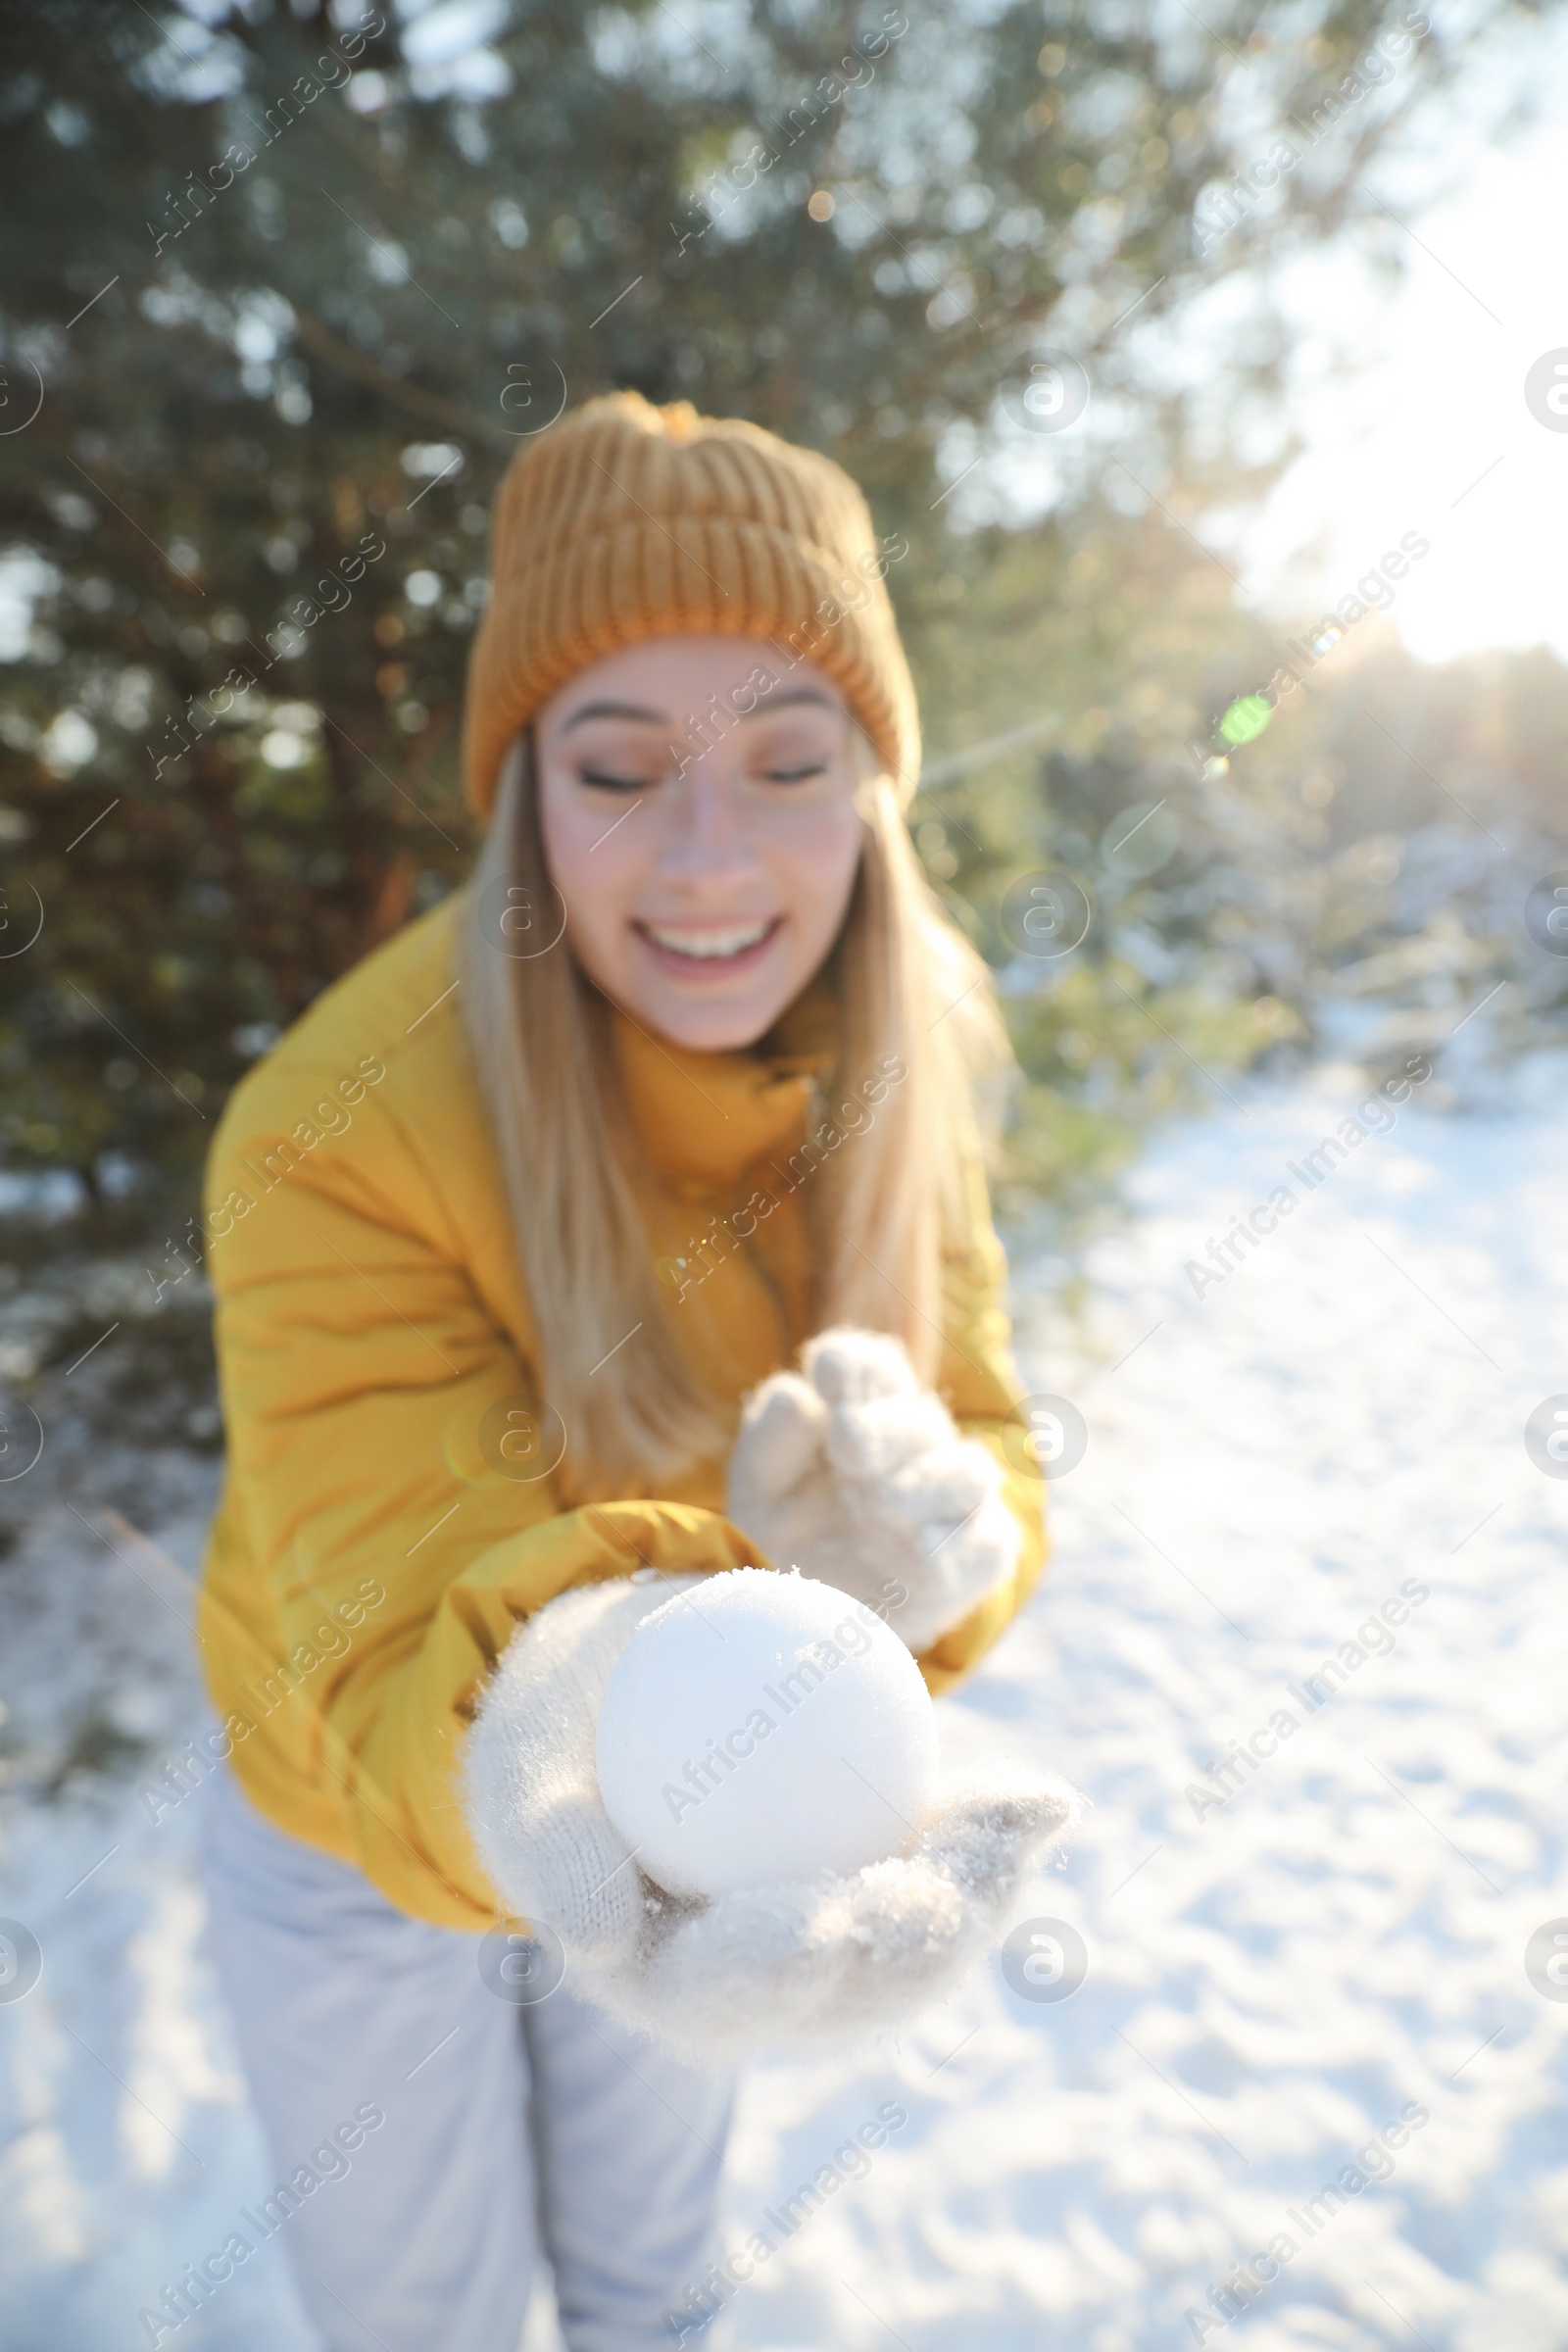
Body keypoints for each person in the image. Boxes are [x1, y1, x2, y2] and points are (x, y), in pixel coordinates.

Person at [195, 391, 1062, 2352]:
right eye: (616, 770)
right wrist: (595, 1719)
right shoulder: (330, 1125)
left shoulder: (905, 1062)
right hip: (360, 1831)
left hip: (713, 1799)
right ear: (525, 802)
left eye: (786, 759)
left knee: (651, 2285)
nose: (707, 858)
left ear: (869, 784)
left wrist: (934, 1554)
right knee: (414, 2315)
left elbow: (984, 1431)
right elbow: (387, 1595)